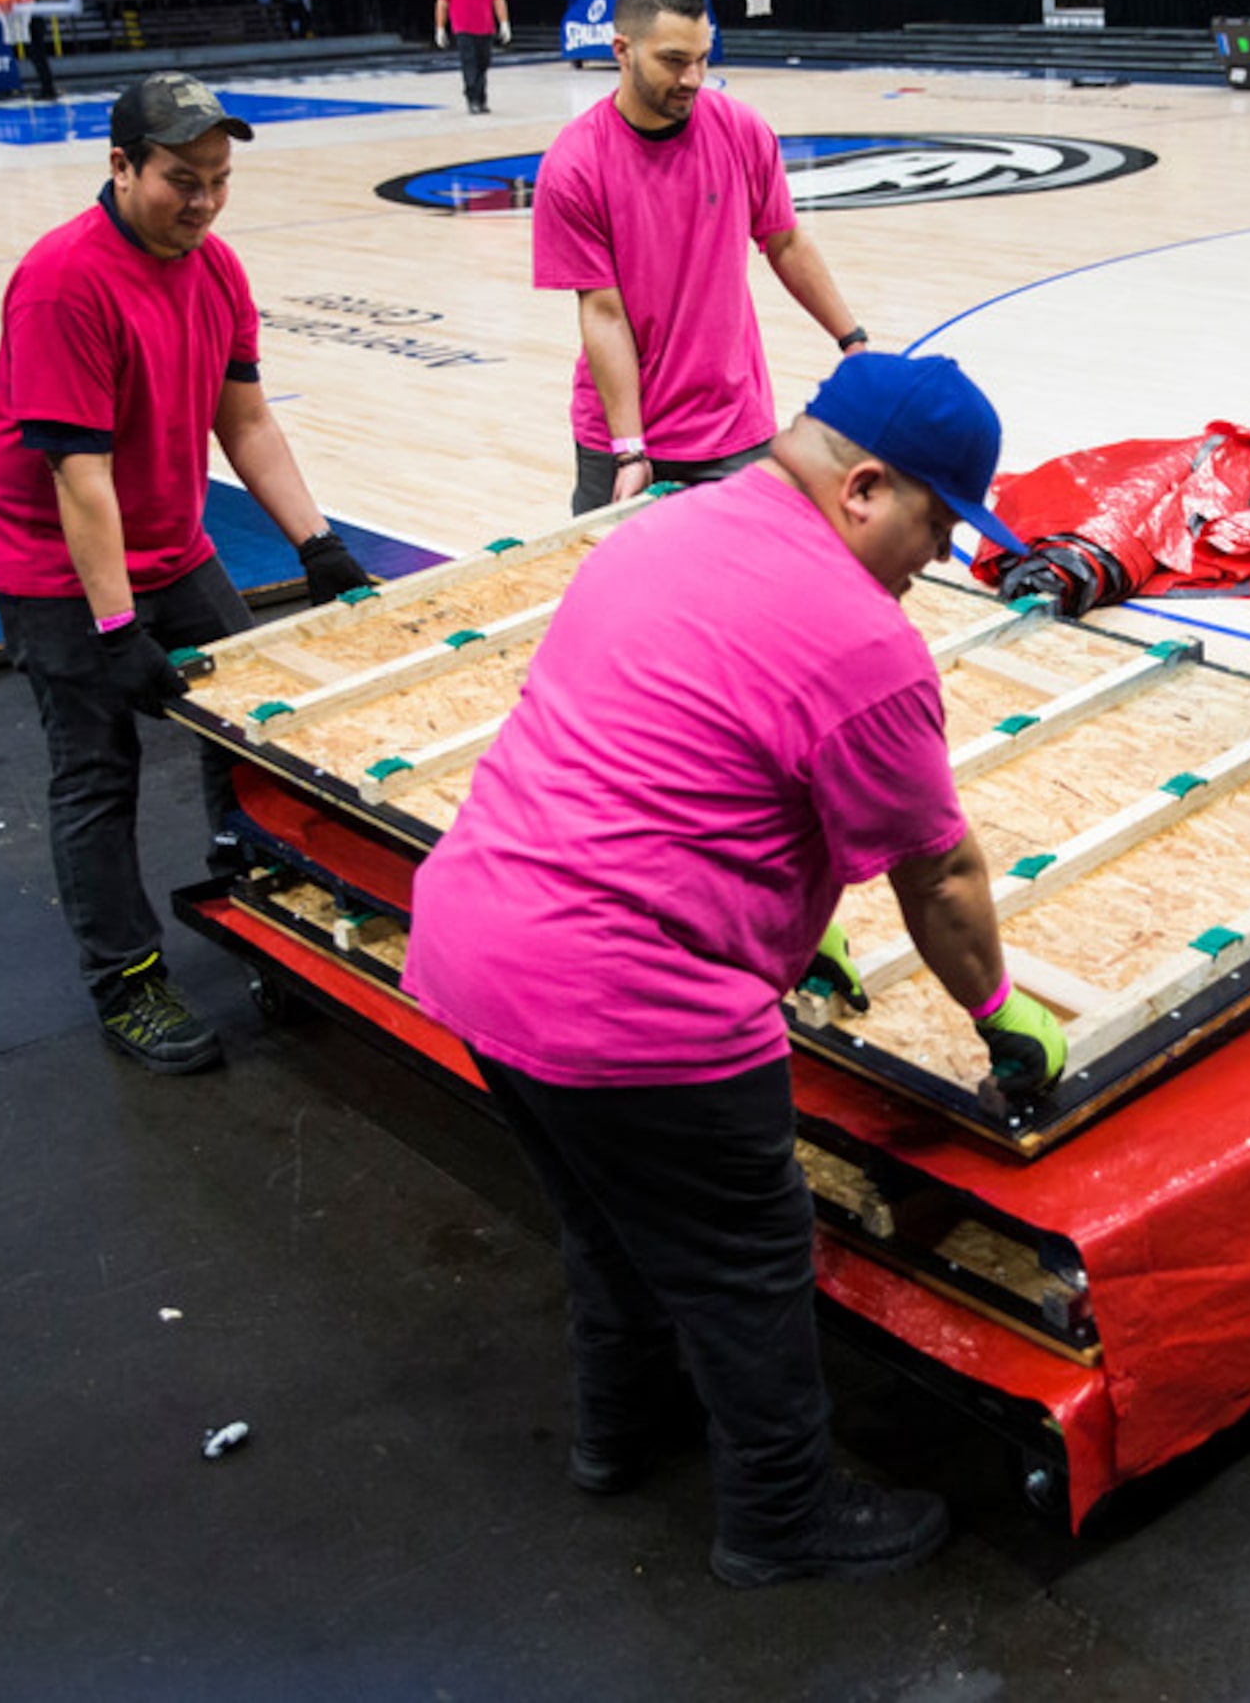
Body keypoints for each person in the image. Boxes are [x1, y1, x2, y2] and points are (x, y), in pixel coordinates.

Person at [405, 352, 1065, 1587]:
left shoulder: (668, 529)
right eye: (936, 524)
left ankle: (618, 1438)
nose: (937, 561)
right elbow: (939, 876)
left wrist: (777, 897)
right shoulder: (862, 643)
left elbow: (665, 745)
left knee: (610, 1222)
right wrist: (995, 1009)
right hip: (628, 1005)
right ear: (866, 487)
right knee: (743, 1263)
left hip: (476, 950)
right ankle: (779, 1515)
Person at [0, 73, 373, 1074]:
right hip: (60, 562)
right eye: (179, 180)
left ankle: (257, 906)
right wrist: (117, 629)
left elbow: (243, 420)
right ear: (120, 166)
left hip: (168, 540)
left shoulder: (217, 268)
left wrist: (316, 544)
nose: (200, 202)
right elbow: (80, 481)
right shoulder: (64, 280)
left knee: (254, 725)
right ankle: (126, 981)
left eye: (218, 181)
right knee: (98, 769)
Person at [531, 0, 867, 517]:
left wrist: (851, 338)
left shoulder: (740, 129)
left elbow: (784, 243)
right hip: (621, 437)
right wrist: (629, 449)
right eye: (673, 61)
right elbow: (603, 314)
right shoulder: (575, 165)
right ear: (622, 50)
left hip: (734, 428)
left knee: (739, 595)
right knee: (618, 595)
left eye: (702, 59)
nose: (692, 78)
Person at [432, 0, 509, 113]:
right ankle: (473, 99)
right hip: (463, 28)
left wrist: (504, 23)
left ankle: (481, 98)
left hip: (485, 28)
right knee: (470, 63)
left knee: (483, 63)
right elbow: (442, 3)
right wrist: (440, 28)